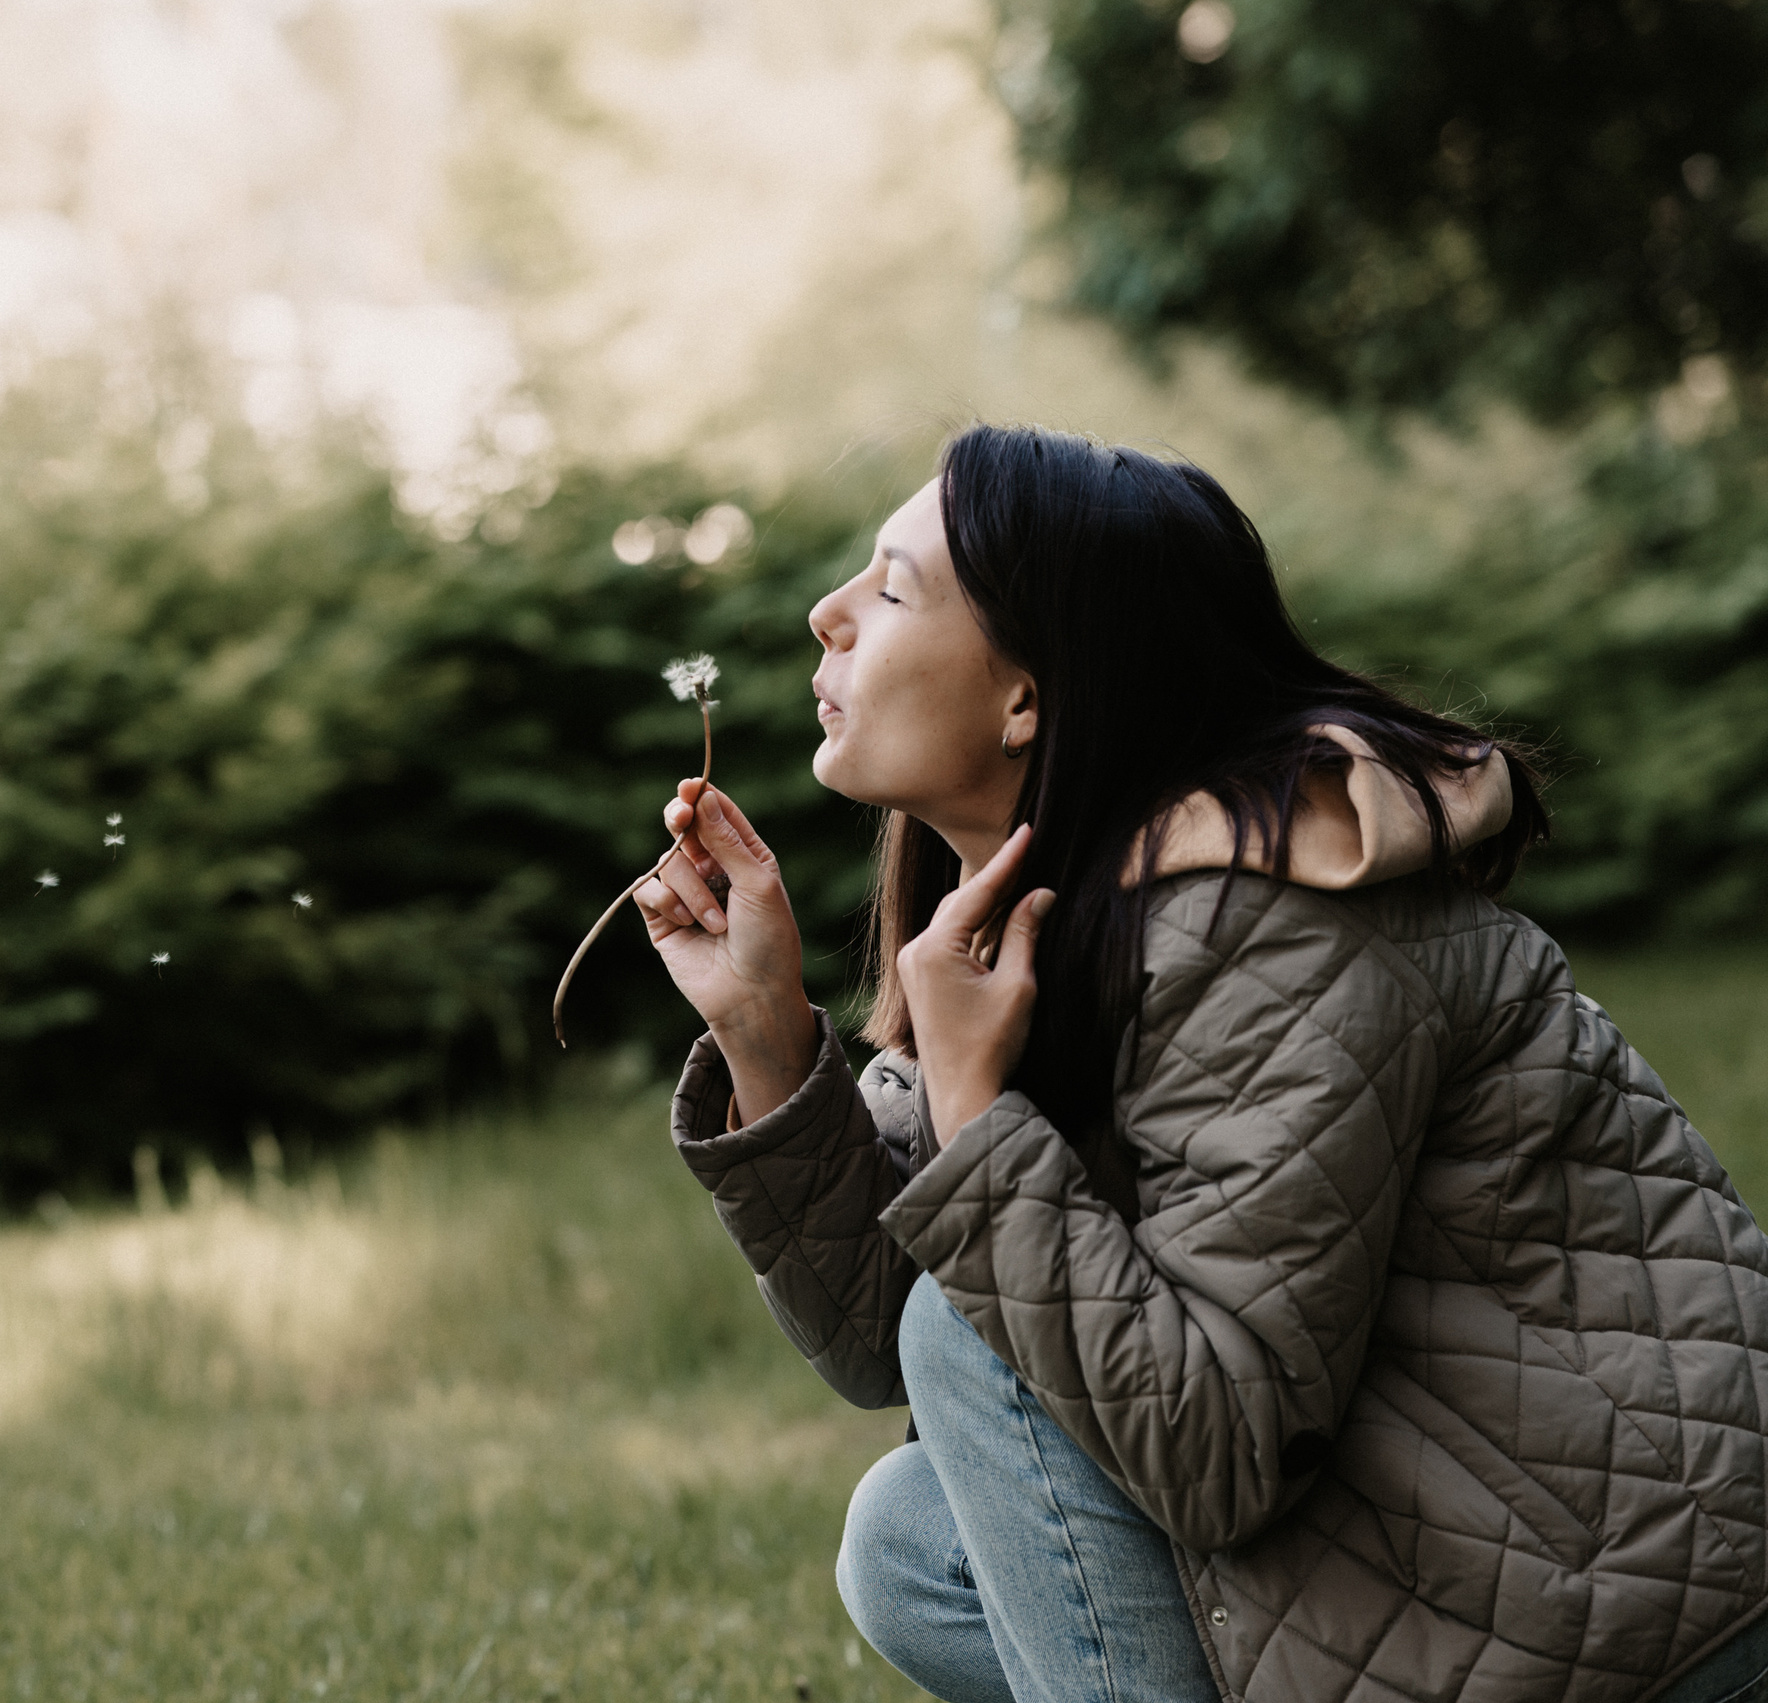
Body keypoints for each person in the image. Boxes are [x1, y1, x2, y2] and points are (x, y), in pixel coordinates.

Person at [634, 424, 1768, 1703]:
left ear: (1027, 696)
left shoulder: (1265, 920)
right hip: (1433, 1552)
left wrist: (975, 1109)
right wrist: (765, 1027)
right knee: (908, 1537)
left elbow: (1217, 1453)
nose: (826, 613)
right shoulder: (1032, 912)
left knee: (974, 1329)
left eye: (891, 591)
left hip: (1639, 1617)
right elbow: (875, 1342)